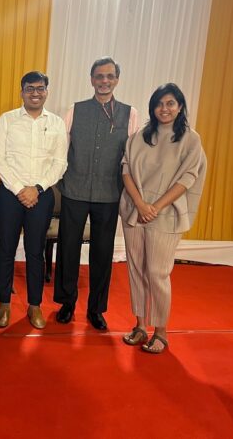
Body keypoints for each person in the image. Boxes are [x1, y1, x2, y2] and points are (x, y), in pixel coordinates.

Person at [120, 83, 206, 353]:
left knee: (157, 272)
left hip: (166, 214)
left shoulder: (190, 139)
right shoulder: (139, 137)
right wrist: (140, 204)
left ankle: (161, 331)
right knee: (136, 270)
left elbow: (187, 178)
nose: (164, 109)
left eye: (170, 103)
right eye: (159, 104)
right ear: (152, 108)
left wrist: (154, 207)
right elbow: (125, 170)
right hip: (135, 212)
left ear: (180, 107)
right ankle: (140, 325)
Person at [53, 57, 138, 330]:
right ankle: (67, 303)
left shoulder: (130, 113)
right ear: (91, 79)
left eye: (110, 76)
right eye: (99, 76)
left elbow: (132, 156)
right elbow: (61, 149)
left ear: (117, 80)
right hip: (74, 190)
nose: (104, 81)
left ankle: (96, 308)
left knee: (102, 254)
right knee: (68, 249)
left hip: (109, 193)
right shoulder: (74, 110)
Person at [0, 71, 68, 329]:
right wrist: (19, 189)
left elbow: (60, 163)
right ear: (22, 91)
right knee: (6, 249)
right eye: (29, 88)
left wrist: (37, 188)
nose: (35, 93)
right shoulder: (8, 120)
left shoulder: (56, 123)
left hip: (42, 195)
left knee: (36, 252)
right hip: (10, 195)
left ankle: (35, 305)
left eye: (40, 88)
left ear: (47, 91)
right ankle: (3, 303)